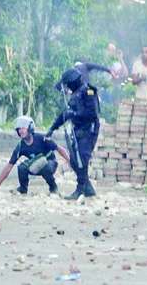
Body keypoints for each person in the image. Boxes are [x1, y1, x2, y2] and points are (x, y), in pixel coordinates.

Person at [45, 69, 100, 200]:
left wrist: (75, 114)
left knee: (82, 159)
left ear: (75, 82)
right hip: (77, 130)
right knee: (75, 161)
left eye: (68, 84)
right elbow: (65, 114)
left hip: (89, 130)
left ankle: (80, 190)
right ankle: (88, 188)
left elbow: (92, 113)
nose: (67, 87)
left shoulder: (88, 92)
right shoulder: (74, 94)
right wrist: (52, 129)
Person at [0, 116, 70, 195]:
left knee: (46, 168)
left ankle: (53, 188)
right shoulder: (20, 146)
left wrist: (70, 161)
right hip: (34, 165)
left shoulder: (42, 138)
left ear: (30, 128)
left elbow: (59, 149)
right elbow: (9, 166)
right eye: (19, 129)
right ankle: (23, 188)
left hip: (49, 163)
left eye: (23, 128)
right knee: (21, 167)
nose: (21, 131)